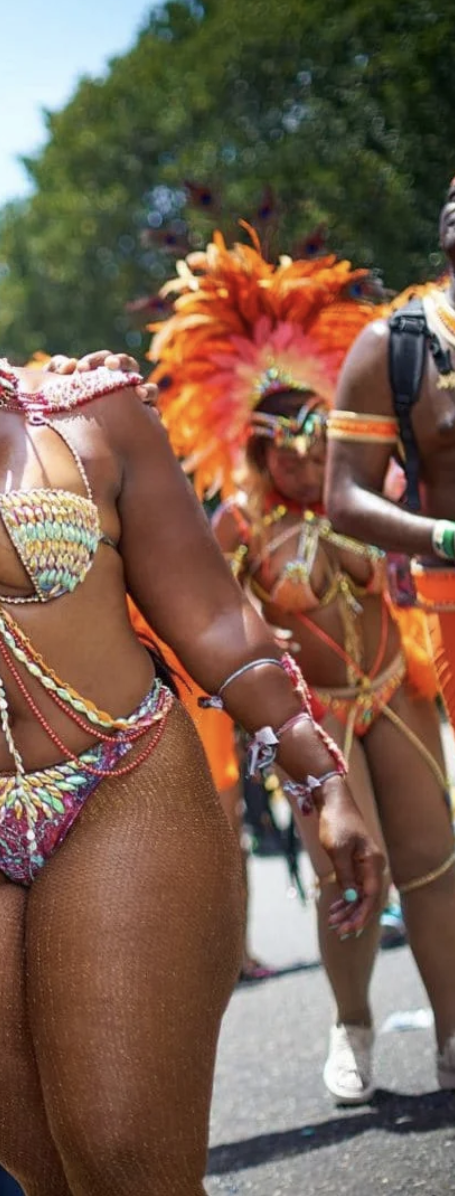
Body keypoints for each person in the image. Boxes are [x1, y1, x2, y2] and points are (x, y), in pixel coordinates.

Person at [0, 160, 384, 1196]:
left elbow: (205, 612)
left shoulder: (95, 411)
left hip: (120, 784)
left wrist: (317, 768)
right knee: (38, 1161)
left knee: (123, 1152)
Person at [151, 230, 455, 1101]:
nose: (306, 454)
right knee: (352, 878)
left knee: (434, 862)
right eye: (286, 441)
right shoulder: (237, 529)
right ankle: (352, 1026)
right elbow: (207, 621)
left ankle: (452, 1036)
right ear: (253, 446)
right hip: (313, 719)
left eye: (319, 435)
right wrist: (259, 633)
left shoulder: (372, 491)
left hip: (395, 690)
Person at [325, 175, 455, 1093]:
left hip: (400, 661)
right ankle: (360, 1023)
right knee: (396, 859)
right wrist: (440, 535)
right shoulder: (398, 348)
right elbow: (346, 495)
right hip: (424, 629)